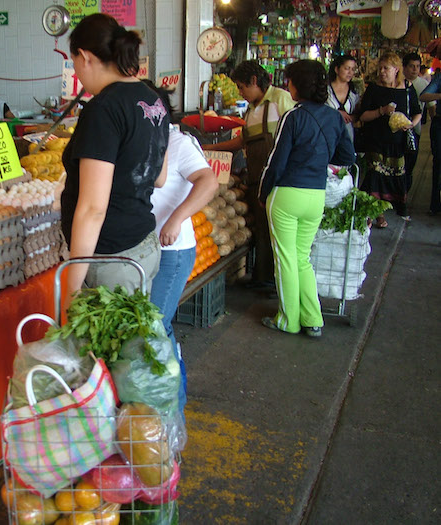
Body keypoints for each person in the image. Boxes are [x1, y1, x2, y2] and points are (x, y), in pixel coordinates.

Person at [60, 13, 169, 308]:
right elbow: (159, 177)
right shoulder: (153, 98)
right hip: (143, 245)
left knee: (116, 353)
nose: (78, 75)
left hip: (112, 260)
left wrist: (71, 288)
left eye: (74, 64)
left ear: (84, 57)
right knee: (135, 345)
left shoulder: (103, 109)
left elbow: (93, 209)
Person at [259, 60, 356, 337]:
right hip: (316, 196)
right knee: (302, 259)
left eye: (288, 81)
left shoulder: (293, 116)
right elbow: (347, 157)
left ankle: (287, 320)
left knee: (286, 259)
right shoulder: (335, 117)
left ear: (296, 85)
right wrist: (320, 158)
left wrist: (263, 193)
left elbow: (276, 162)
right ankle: (313, 319)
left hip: (287, 196)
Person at [146, 82, 219, 416]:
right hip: (145, 251)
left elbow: (209, 181)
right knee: (156, 326)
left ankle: (170, 406)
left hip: (173, 252)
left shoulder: (178, 142)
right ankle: (165, 402)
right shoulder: (143, 141)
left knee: (155, 327)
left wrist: (176, 219)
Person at [204, 60, 295, 290]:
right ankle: (262, 278)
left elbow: (295, 137)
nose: (241, 92)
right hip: (257, 176)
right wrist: (209, 149)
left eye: (242, 87)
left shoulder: (280, 99)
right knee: (262, 229)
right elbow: (242, 141)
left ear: (254, 81)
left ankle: (277, 282)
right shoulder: (253, 109)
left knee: (277, 231)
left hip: (279, 178)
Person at [359, 51, 421, 225]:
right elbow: (363, 116)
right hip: (376, 140)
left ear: (396, 69)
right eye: (380, 68)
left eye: (386, 68)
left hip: (397, 143)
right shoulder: (373, 89)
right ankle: (374, 213)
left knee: (393, 177)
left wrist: (410, 124)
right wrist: (381, 111)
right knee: (375, 175)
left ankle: (383, 210)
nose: (382, 72)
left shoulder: (407, 89)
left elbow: (417, 112)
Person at [402, 52, 431, 191]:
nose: (415, 69)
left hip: (415, 130)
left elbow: (432, 109)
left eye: (417, 66)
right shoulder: (398, 82)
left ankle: (405, 195)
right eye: (411, 66)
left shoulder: (424, 84)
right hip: (398, 130)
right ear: (404, 67)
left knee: (409, 165)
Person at [421, 38, 441, 216]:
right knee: (438, 164)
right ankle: (435, 204)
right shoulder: (440, 76)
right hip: (440, 125)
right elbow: (424, 96)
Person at [326, 54, 360, 143]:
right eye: (347, 68)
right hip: (327, 135)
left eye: (353, 69)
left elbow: (358, 115)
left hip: (347, 137)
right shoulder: (325, 90)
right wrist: (336, 114)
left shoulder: (354, 92)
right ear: (337, 69)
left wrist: (350, 118)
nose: (350, 72)